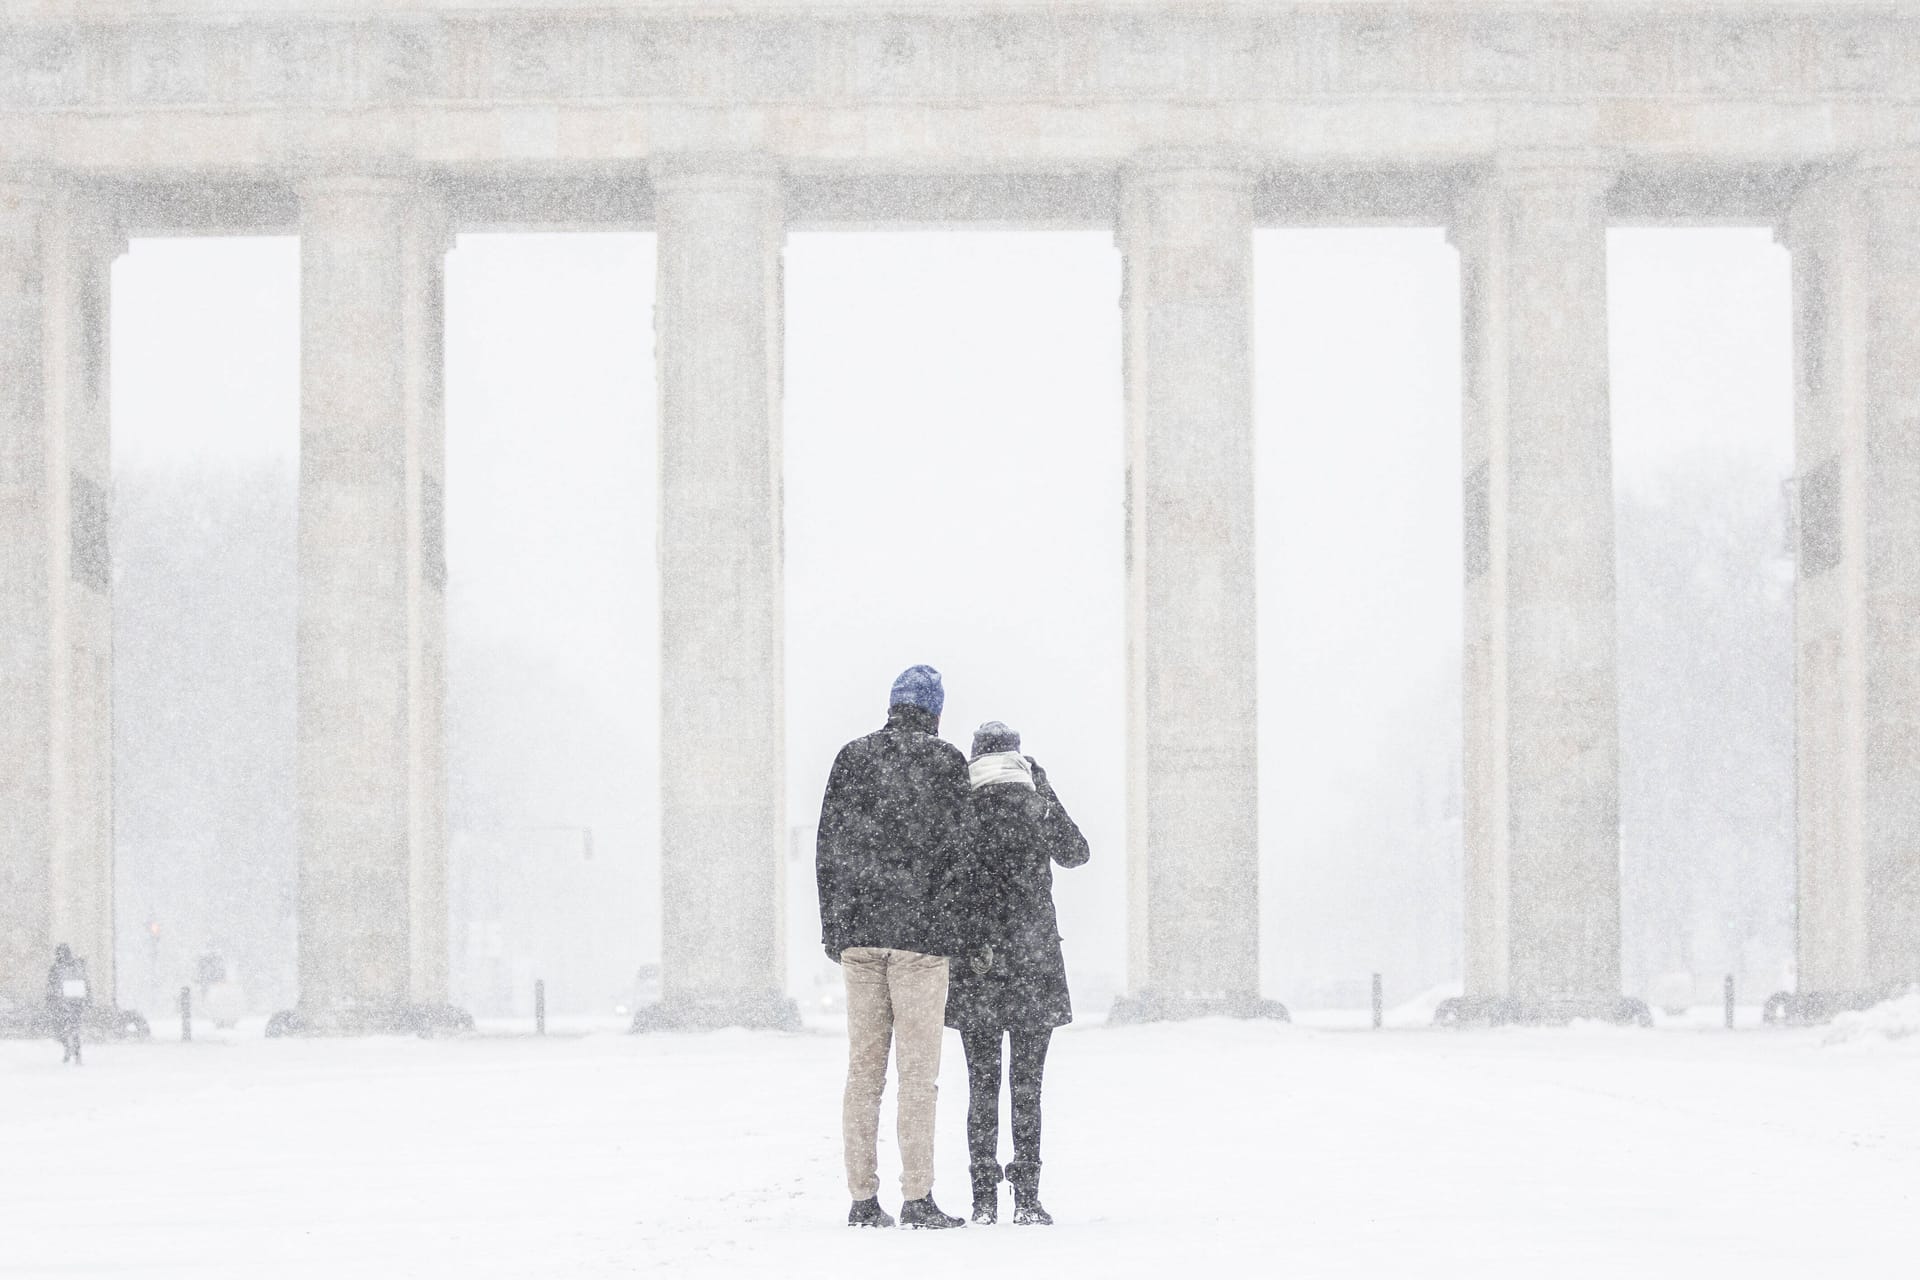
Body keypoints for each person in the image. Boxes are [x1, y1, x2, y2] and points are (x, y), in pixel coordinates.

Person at [816, 665, 973, 1230]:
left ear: (891, 705)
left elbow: (828, 846)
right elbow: (962, 856)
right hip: (921, 942)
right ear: (934, 711)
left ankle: (861, 1197)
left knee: (863, 1072)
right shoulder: (946, 762)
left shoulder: (852, 757)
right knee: (917, 1074)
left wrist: (836, 929)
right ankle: (917, 1196)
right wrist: (954, 930)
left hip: (860, 938)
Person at [945, 721, 1090, 1226]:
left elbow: (946, 875)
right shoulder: (1034, 796)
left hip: (979, 960)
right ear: (1019, 756)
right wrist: (1044, 796)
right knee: (1028, 1085)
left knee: (981, 1086)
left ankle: (983, 1196)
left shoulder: (962, 798)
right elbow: (1076, 853)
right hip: (1032, 960)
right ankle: (1027, 1196)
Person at [46, 944, 91, 1066]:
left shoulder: (56, 968)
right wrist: (88, 1000)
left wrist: (50, 1002)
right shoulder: (77, 966)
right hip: (77, 1003)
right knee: (74, 1029)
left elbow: (50, 987)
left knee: (61, 1029)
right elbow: (86, 984)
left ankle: (68, 1050)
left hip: (61, 1004)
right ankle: (76, 1054)